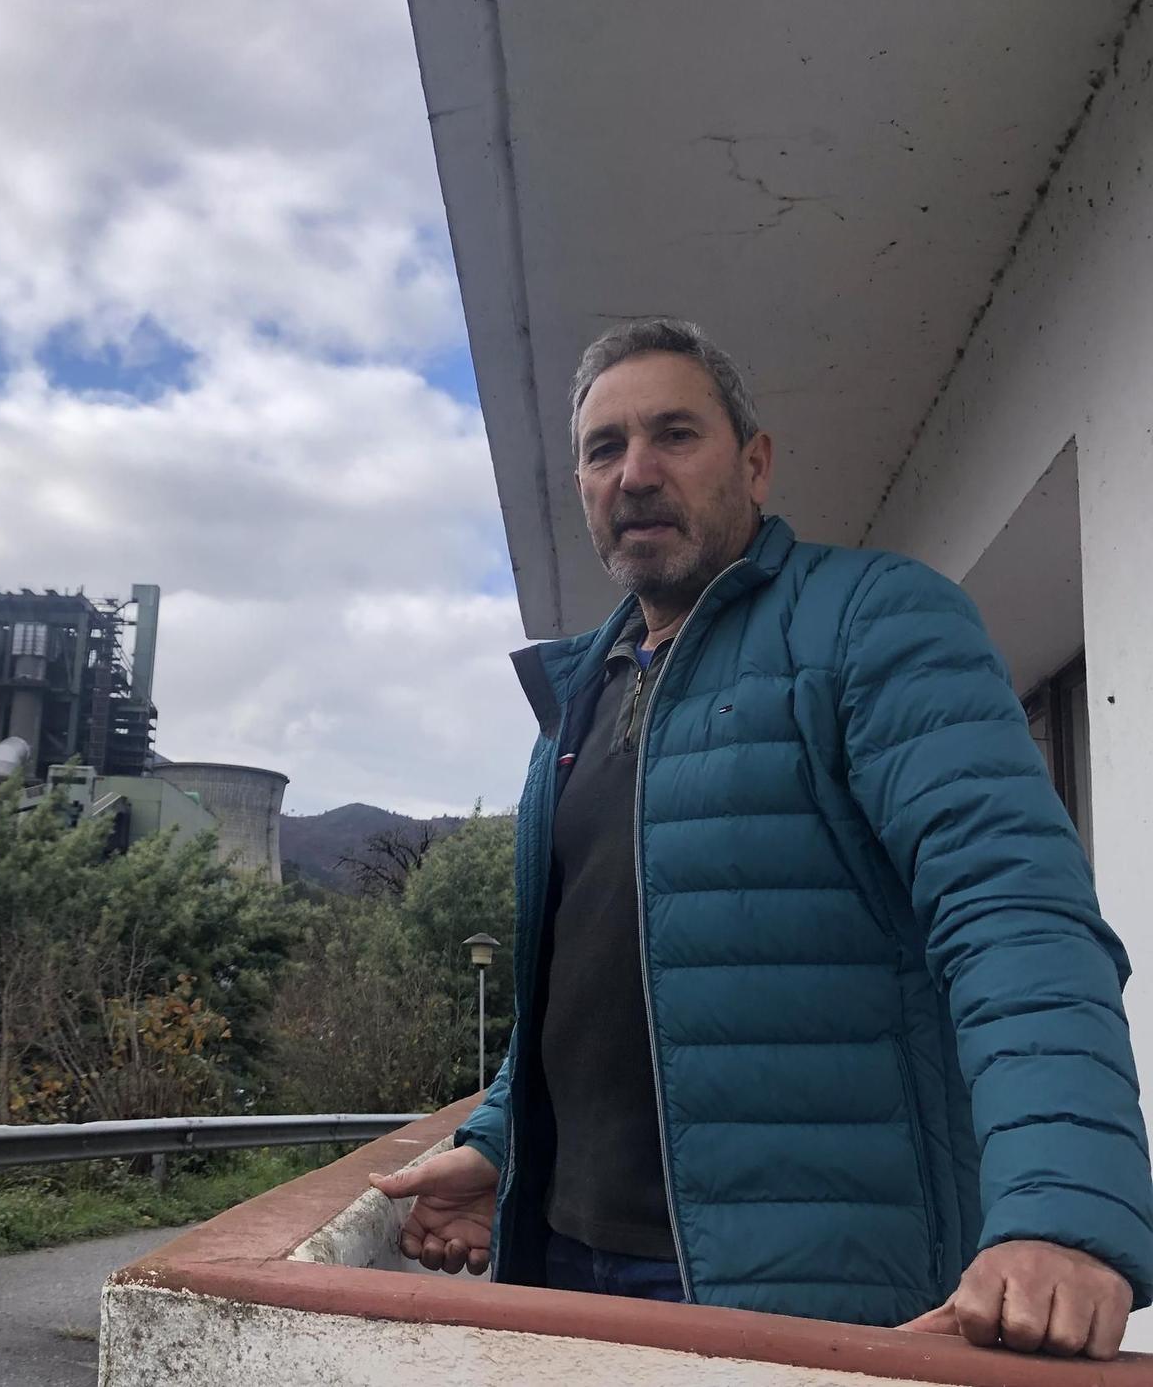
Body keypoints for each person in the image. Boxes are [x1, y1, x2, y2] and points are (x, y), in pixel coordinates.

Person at [371, 318, 1153, 1360]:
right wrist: (498, 1141)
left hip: (808, 1292)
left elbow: (1012, 916)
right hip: (564, 1270)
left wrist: (1056, 1215)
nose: (635, 472)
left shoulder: (871, 622)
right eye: (604, 449)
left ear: (753, 462)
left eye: (673, 435)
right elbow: (582, 982)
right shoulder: (576, 705)